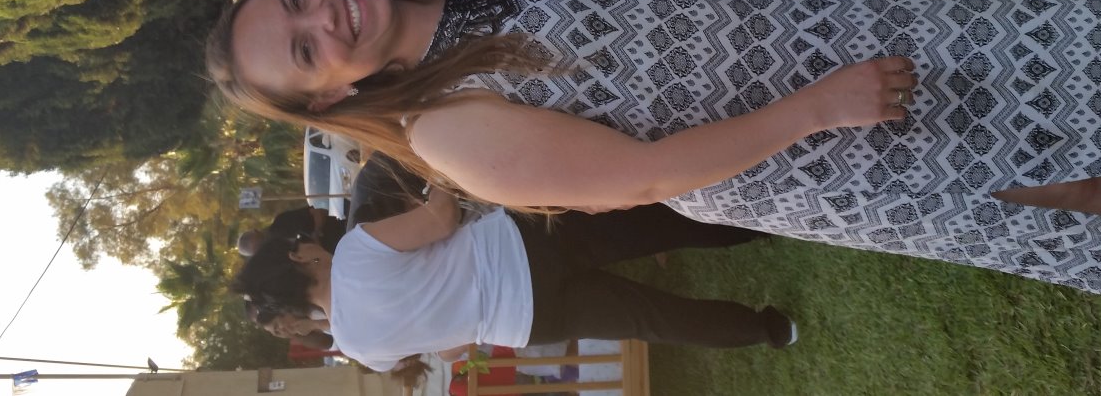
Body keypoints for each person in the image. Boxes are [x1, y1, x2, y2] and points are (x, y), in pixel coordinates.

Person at [208, 0, 1101, 311]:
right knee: (1046, 189)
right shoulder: (447, 132)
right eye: (302, 50)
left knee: (1066, 31)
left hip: (836, 28)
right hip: (809, 145)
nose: (323, 16)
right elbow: (639, 178)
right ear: (328, 99)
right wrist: (814, 109)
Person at [228, 190, 788, 372]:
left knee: (652, 321)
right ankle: (766, 221)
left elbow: (449, 347)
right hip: (524, 246)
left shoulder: (357, 348)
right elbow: (441, 219)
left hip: (524, 321)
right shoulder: (354, 252)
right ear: (298, 258)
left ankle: (769, 329)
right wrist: (436, 175)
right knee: (653, 226)